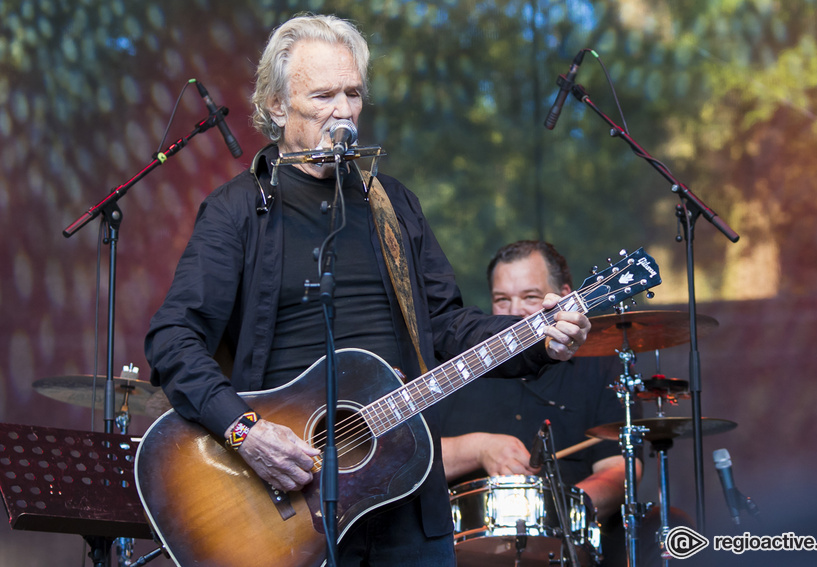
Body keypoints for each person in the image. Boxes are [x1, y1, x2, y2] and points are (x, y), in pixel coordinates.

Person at [144, 15, 590, 566]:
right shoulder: (239, 211)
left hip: (407, 499)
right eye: (324, 94)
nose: (345, 110)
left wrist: (539, 338)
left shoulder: (392, 204)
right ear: (278, 106)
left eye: (353, 93)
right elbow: (173, 339)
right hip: (286, 500)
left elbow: (448, 324)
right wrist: (245, 432)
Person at [438, 240, 642, 564]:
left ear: (565, 295)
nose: (515, 312)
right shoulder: (458, 365)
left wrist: (558, 509)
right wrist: (478, 448)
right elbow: (406, 461)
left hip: (566, 552)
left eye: (530, 297)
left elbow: (619, 469)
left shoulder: (601, 367)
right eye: (501, 300)